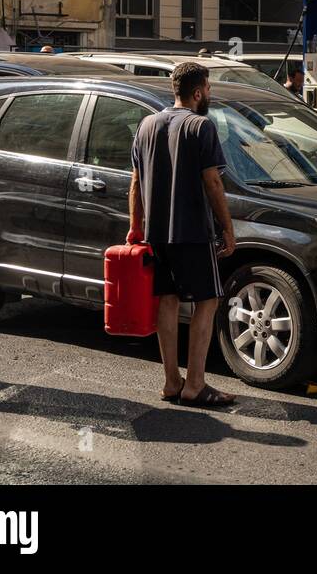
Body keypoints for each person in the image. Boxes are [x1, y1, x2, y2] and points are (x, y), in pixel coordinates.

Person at [129, 62, 238, 408]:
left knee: (168, 300)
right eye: (208, 88)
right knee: (207, 301)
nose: (209, 94)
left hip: (156, 233)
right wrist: (228, 228)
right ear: (197, 91)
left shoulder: (147, 124)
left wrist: (135, 227)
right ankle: (195, 384)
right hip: (192, 230)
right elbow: (213, 182)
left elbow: (134, 183)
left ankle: (171, 382)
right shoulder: (200, 126)